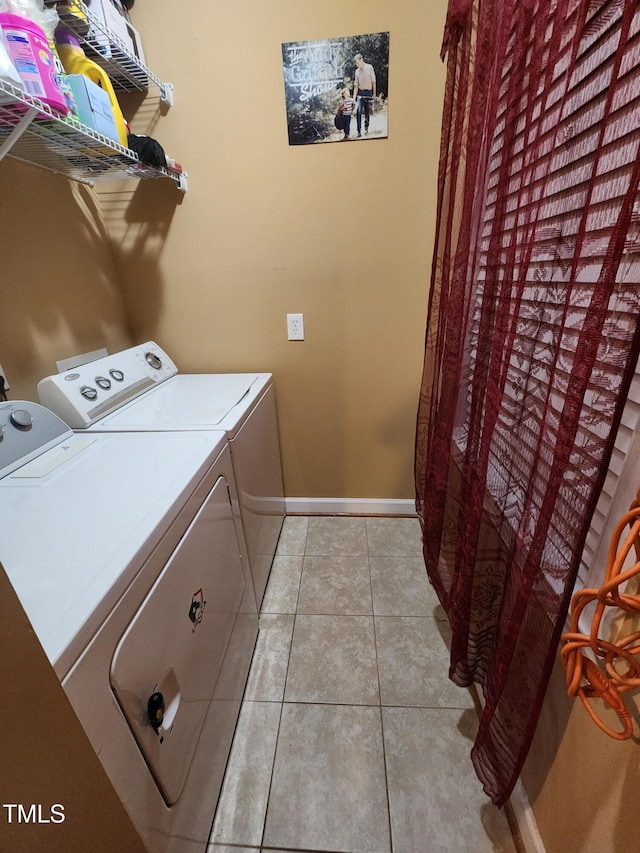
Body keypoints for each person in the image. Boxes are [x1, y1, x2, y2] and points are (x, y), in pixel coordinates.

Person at [353, 53, 376, 136]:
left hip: (369, 92)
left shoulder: (369, 68)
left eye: (357, 62)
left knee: (367, 112)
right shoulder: (357, 72)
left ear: (361, 60)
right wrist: (354, 98)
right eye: (356, 63)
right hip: (361, 93)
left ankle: (366, 129)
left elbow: (373, 81)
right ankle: (358, 132)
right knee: (358, 111)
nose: (356, 64)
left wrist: (374, 94)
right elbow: (356, 86)